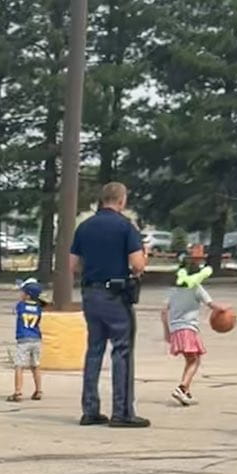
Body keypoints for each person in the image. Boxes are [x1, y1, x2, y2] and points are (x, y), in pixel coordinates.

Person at [70, 182, 149, 428]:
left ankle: (90, 409)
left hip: (90, 294)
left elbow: (73, 265)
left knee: (94, 351)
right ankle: (122, 412)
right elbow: (137, 265)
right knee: (122, 351)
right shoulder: (126, 227)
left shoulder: (84, 227)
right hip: (115, 296)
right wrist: (144, 254)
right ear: (121, 200)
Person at [162, 244, 212, 406]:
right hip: (189, 329)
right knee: (194, 361)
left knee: (190, 359)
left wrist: (167, 332)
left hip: (176, 329)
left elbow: (164, 311)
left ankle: (186, 391)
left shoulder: (174, 290)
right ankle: (182, 388)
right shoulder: (197, 288)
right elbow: (211, 304)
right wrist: (225, 309)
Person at [6, 277, 44, 402]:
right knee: (36, 366)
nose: (20, 294)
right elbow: (45, 302)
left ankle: (18, 392)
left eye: (22, 292)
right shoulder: (39, 307)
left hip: (23, 339)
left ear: (27, 295)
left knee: (19, 366)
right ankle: (38, 390)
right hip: (36, 339)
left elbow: (14, 310)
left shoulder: (20, 306)